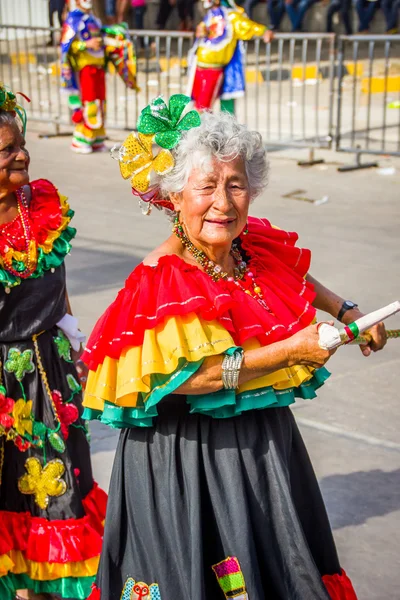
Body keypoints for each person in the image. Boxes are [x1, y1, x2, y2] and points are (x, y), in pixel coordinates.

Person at [82, 93, 387, 599]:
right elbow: (190, 377)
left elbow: (295, 275)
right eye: (206, 187)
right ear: (175, 195)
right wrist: (289, 352)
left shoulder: (249, 248)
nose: (223, 203)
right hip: (188, 459)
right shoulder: (163, 278)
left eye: (236, 185)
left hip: (262, 441)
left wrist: (347, 312)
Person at [0, 83, 107, 600]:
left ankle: (46, 588)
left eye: (21, 144)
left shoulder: (40, 205)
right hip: (0, 381)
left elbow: (58, 287)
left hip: (48, 371)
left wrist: (75, 341)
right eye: (6, 150)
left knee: (56, 489)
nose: (20, 154)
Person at [188, 0, 273, 114]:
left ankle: (206, 130)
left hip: (214, 69)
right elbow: (203, 29)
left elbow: (248, 26)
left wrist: (264, 31)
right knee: (198, 105)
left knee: (204, 108)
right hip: (199, 66)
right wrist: (201, 31)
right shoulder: (210, 15)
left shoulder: (231, 16)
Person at [61, 0, 107, 154]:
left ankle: (96, 139)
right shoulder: (73, 19)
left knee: (100, 102)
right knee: (89, 103)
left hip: (98, 68)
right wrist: (86, 45)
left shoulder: (94, 19)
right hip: (84, 70)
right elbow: (66, 46)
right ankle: (81, 139)